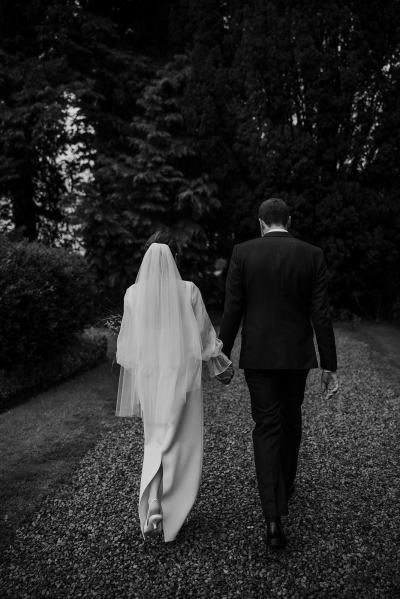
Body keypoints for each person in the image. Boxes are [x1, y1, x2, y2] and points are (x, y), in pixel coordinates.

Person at [218, 198, 338, 549]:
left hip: (258, 358)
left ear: (260, 223)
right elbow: (321, 314)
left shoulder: (242, 253)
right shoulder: (311, 254)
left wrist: (222, 356)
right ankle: (285, 480)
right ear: (289, 219)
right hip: (297, 356)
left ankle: (273, 517)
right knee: (291, 419)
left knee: (267, 426)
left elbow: (233, 310)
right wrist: (329, 364)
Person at [115, 230, 233, 542]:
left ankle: (154, 501)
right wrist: (220, 365)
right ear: (175, 258)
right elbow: (205, 337)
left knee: (155, 439)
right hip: (184, 378)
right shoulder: (189, 291)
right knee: (181, 443)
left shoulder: (132, 294)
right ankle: (170, 506)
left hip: (149, 377)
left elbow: (126, 348)